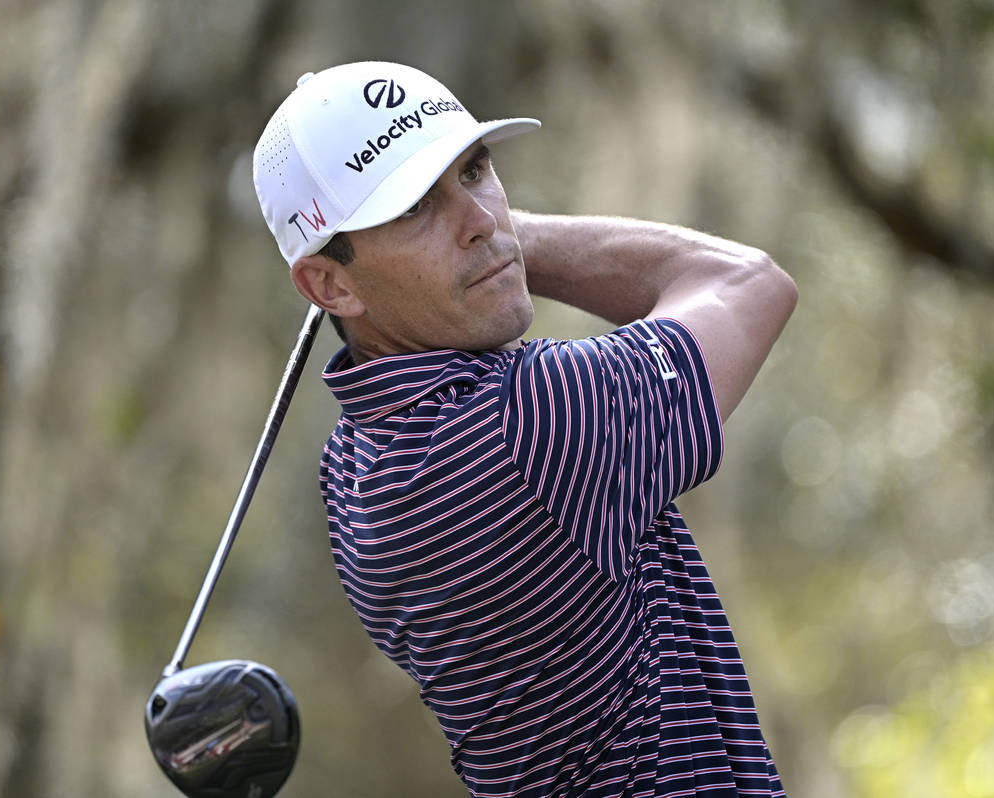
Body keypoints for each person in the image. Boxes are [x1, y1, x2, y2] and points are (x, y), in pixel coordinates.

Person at [252, 61, 797, 798]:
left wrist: (477, 245)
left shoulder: (353, 467)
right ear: (329, 285)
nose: (481, 217)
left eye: (475, 170)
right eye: (414, 206)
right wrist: (511, 243)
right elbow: (748, 284)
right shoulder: (527, 422)